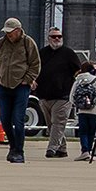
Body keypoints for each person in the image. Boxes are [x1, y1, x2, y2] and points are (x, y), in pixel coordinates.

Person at [0, 17, 40, 164]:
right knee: (5, 120)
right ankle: (13, 147)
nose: (8, 35)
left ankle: (19, 151)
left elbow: (35, 64)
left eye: (11, 32)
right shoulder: (2, 43)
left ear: (18, 30)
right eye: (6, 32)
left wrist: (27, 80)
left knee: (18, 119)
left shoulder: (28, 42)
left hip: (21, 87)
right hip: (3, 86)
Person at [37, 25, 81, 158]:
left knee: (58, 122)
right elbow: (35, 69)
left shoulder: (69, 53)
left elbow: (78, 70)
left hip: (63, 96)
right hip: (44, 95)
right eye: (54, 36)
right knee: (51, 124)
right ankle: (62, 149)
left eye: (59, 36)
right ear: (48, 38)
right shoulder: (42, 53)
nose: (57, 39)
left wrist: (72, 85)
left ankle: (51, 148)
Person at [69, 61, 96, 161]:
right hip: (95, 111)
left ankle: (84, 151)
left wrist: (79, 104)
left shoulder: (77, 81)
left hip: (82, 111)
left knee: (83, 132)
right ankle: (89, 152)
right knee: (91, 132)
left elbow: (71, 98)